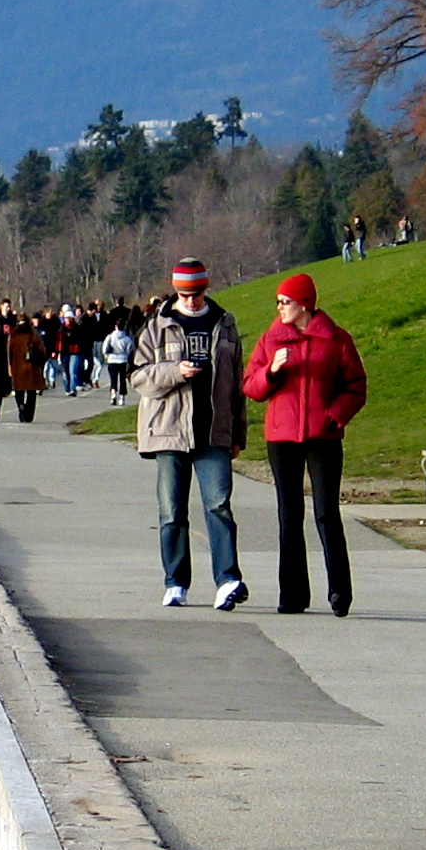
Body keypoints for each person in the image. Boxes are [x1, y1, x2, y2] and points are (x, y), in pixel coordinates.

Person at [241, 273, 367, 615]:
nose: (280, 308)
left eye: (285, 302)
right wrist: (271, 371)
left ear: (304, 304)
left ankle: (340, 592)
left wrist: (334, 415)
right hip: (282, 439)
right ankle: (293, 595)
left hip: (323, 437)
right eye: (278, 302)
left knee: (327, 513)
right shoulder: (271, 340)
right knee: (289, 514)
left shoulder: (336, 340)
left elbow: (356, 387)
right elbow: (251, 387)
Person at [133, 259, 247, 609]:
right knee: (172, 511)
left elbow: (236, 386)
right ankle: (175, 581)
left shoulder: (224, 324)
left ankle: (228, 580)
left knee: (219, 506)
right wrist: (174, 371)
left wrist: (238, 433)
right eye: (185, 294)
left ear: (206, 288)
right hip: (169, 431)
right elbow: (138, 378)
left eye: (197, 293)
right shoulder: (157, 326)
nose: (192, 300)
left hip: (214, 432)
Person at [7, 314, 46, 423]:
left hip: (17, 368)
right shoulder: (33, 334)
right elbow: (41, 350)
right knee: (31, 392)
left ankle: (21, 406)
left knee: (19, 390)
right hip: (31, 367)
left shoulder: (13, 336)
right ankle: (29, 412)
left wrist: (10, 367)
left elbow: (9, 353)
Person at [101, 312, 137, 404]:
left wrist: (107, 355)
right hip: (123, 360)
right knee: (122, 380)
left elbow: (105, 349)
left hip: (112, 360)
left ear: (115, 326)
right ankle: (122, 397)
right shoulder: (127, 339)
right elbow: (130, 350)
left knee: (113, 379)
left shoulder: (110, 337)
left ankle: (113, 395)